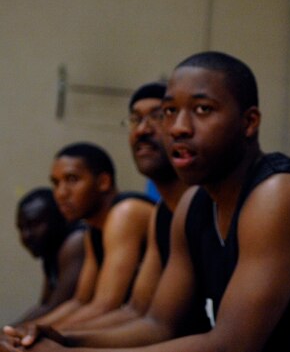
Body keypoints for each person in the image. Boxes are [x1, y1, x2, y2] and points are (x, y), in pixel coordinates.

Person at [19, 51, 290, 352]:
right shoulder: (193, 204)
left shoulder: (278, 195)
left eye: (202, 109)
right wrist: (64, 337)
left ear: (249, 122)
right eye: (170, 111)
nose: (178, 127)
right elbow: (157, 324)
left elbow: (231, 345)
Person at [34, 83, 210, 341]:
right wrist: (36, 336)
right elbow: (139, 313)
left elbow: (107, 307)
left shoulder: (128, 212)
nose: (142, 129)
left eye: (159, 115)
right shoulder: (162, 214)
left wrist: (58, 340)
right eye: (135, 119)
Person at [4, 142, 155, 337]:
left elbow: (104, 306)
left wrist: (34, 335)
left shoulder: (125, 213)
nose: (61, 193)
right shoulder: (93, 229)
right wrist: (19, 332)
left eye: (72, 179)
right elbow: (80, 302)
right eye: (56, 183)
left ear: (103, 182)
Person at [12, 188, 85, 324]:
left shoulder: (76, 242)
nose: (25, 235)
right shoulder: (51, 249)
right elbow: (45, 305)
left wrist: (8, 332)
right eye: (21, 228)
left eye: (33, 225)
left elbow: (56, 307)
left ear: (59, 218)